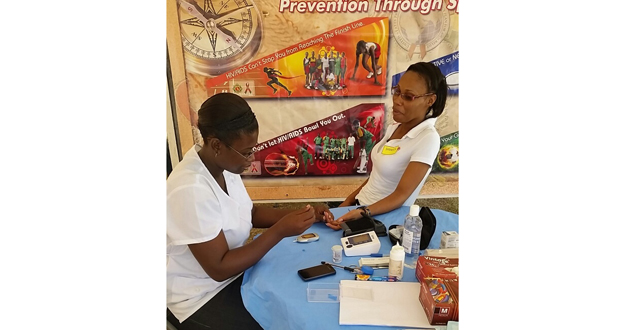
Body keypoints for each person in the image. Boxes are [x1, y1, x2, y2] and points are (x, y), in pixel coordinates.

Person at [167, 93, 334, 329]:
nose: (252, 157)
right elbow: (219, 268)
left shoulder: (223, 166)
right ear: (216, 145)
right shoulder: (190, 189)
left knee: (292, 296)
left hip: (237, 273)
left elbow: (251, 212)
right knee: (278, 320)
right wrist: (279, 231)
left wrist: (304, 213)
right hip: (200, 296)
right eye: (246, 152)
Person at [326, 62, 447, 228]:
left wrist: (363, 213)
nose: (397, 100)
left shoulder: (427, 138)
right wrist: (349, 201)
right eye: (397, 92)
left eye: (408, 96)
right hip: (361, 207)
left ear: (430, 100)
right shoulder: (394, 128)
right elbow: (377, 176)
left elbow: (401, 195)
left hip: (382, 220)